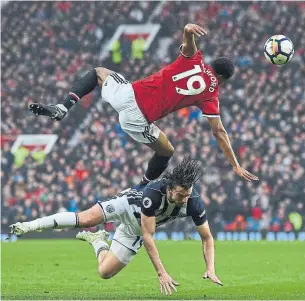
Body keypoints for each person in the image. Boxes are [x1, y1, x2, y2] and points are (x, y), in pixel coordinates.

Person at [28, 23, 258, 184]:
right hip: (137, 119)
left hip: (127, 93)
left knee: (98, 72)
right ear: (221, 79)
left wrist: (188, 30)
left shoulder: (194, 58)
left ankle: (64, 106)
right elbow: (219, 132)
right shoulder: (211, 93)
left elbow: (188, 38)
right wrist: (235, 164)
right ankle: (142, 187)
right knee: (167, 150)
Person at [10, 158, 223, 295]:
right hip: (126, 206)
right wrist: (161, 273)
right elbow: (150, 237)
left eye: (188, 194)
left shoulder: (193, 201)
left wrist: (210, 267)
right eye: (181, 194)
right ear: (170, 189)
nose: (185, 198)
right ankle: (30, 225)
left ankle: (97, 241)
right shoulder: (153, 194)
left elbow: (207, 237)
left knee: (105, 273)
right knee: (85, 219)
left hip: (135, 230)